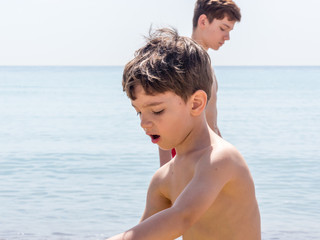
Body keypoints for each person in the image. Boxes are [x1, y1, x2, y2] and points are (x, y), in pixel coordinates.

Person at [107, 28, 260, 240]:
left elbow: (181, 218)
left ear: (196, 103)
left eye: (157, 110)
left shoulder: (220, 159)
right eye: (139, 112)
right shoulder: (161, 180)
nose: (144, 122)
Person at [159, 0, 241, 166]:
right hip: (189, 160)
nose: (227, 37)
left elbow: (211, 123)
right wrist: (165, 171)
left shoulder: (206, 63)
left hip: (209, 157)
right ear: (203, 21)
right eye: (223, 28)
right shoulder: (183, 60)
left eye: (230, 30)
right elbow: (164, 118)